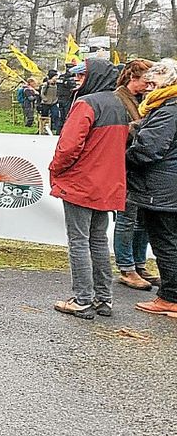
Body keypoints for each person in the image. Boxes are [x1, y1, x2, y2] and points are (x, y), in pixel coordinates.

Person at [49, 58, 130, 319]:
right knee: (98, 241)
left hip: (82, 182)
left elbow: (69, 146)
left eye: (83, 76)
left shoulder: (86, 104)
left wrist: (56, 169)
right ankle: (103, 298)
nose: (78, 81)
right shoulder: (119, 104)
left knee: (79, 242)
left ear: (93, 77)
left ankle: (82, 299)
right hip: (108, 184)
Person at [126, 58, 177, 317]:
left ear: (167, 82)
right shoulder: (166, 106)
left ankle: (170, 297)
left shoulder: (168, 109)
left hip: (161, 188)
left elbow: (149, 150)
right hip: (167, 185)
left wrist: (122, 156)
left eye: (153, 82)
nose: (147, 87)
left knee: (165, 242)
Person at [115, 58, 156, 290]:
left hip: (142, 166)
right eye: (145, 81)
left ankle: (139, 264)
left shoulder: (143, 100)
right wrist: (142, 126)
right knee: (127, 217)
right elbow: (121, 131)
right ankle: (126, 267)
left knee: (142, 219)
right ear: (133, 78)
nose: (149, 86)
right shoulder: (119, 99)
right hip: (127, 164)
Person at [57, 63, 79, 130]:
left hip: (60, 98)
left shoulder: (60, 77)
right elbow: (74, 87)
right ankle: (66, 129)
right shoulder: (70, 79)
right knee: (67, 115)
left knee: (61, 115)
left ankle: (59, 130)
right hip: (68, 98)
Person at [39, 69, 61, 135]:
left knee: (55, 115)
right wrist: (44, 99)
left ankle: (57, 129)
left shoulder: (57, 85)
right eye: (55, 76)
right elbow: (42, 93)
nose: (56, 78)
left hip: (54, 102)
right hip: (45, 103)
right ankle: (43, 129)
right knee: (44, 116)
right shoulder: (46, 84)